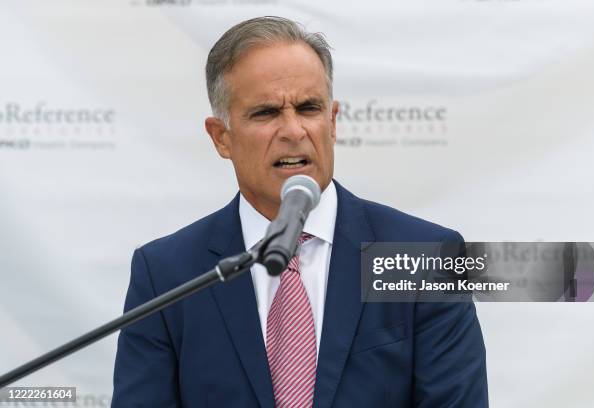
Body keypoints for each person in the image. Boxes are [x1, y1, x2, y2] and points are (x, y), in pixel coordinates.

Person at [111, 16, 488, 407]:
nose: (293, 130)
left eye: (309, 108)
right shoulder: (168, 276)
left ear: (333, 122)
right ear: (221, 137)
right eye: (266, 113)